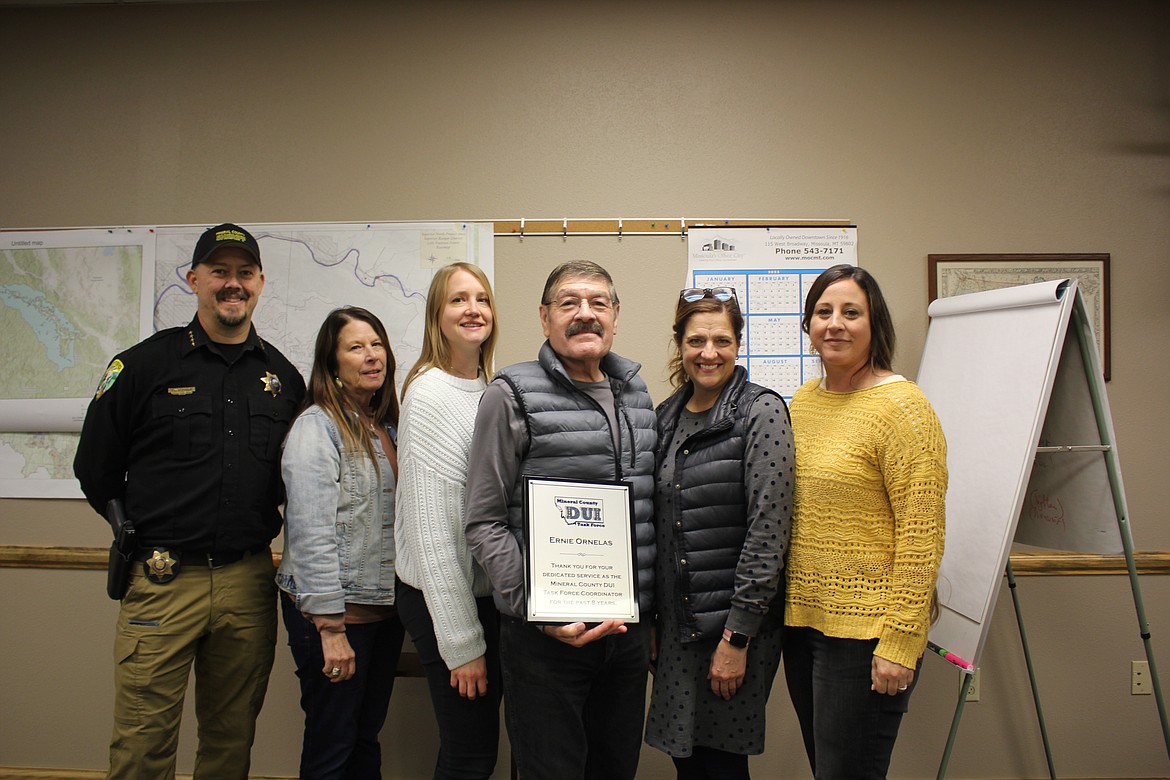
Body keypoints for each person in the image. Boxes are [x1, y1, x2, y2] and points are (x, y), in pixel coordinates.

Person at [73, 223, 305, 779]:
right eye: (220, 272)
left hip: (247, 581)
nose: (233, 284)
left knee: (230, 742)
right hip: (162, 579)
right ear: (194, 279)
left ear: (260, 283)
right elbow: (95, 467)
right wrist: (127, 528)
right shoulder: (142, 367)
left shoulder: (283, 379)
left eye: (244, 273)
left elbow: (292, 482)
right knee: (142, 744)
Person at [464, 260, 657, 780]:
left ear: (616, 317)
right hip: (546, 639)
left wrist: (651, 614)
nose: (585, 315)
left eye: (598, 303)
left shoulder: (638, 398)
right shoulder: (510, 396)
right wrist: (536, 607)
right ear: (545, 317)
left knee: (616, 768)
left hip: (626, 634)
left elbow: (647, 512)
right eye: (569, 303)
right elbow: (482, 519)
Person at [783, 264, 947, 780]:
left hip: (865, 636)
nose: (835, 323)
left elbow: (922, 536)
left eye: (851, 312)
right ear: (808, 325)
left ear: (875, 325)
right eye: (823, 312)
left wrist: (900, 642)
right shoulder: (803, 402)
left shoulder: (904, 408)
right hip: (803, 624)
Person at [645, 286, 794, 780]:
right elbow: (657, 525)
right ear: (679, 344)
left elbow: (768, 532)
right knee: (687, 761)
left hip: (732, 630)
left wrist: (737, 637)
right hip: (677, 628)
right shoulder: (665, 417)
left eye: (722, 341)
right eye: (696, 340)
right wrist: (651, 622)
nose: (709, 353)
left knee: (720, 767)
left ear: (738, 344)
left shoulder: (760, 412)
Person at [276, 306, 406, 779]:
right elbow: (310, 533)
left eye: (377, 345)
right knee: (331, 747)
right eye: (355, 347)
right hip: (335, 618)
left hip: (381, 614)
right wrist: (331, 630)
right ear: (332, 365)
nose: (372, 357)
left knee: (364, 737)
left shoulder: (385, 426)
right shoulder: (317, 427)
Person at [394, 262, 502, 779]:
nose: (473, 309)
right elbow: (432, 533)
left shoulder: (489, 389)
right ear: (437, 315)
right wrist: (461, 646)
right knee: (471, 752)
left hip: (485, 595)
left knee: (475, 746)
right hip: (445, 597)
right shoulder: (429, 394)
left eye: (481, 299)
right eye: (458, 300)